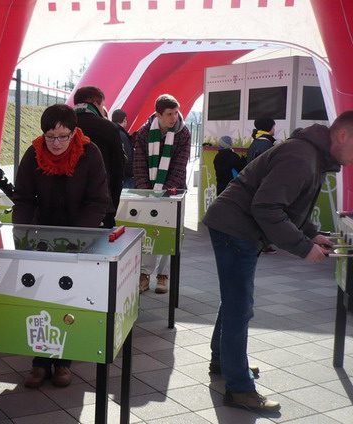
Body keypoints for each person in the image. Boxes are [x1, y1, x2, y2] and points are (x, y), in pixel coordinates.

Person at [203, 111, 353, 411]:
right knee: (239, 307)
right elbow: (267, 207)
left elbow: (291, 205)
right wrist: (303, 247)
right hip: (235, 228)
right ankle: (239, 388)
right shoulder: (302, 156)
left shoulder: (311, 155)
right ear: (342, 135)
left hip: (236, 226)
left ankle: (226, 361)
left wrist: (311, 233)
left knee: (234, 302)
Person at [13, 104, 109, 388]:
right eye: (50, 137)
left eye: (63, 136)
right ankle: (40, 361)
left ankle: (64, 362)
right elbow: (23, 198)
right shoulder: (33, 153)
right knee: (41, 297)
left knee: (69, 298)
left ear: (73, 132)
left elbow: (98, 201)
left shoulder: (90, 153)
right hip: (42, 236)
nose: (56, 143)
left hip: (78, 238)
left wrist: (76, 238)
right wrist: (22, 235)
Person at [133, 94, 191, 294]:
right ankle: (144, 274)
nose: (174, 117)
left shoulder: (183, 133)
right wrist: (147, 191)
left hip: (174, 191)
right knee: (148, 232)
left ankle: (163, 275)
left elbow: (180, 166)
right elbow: (139, 165)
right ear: (158, 114)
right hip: (148, 191)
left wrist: (164, 191)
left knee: (170, 232)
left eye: (176, 113)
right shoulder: (144, 132)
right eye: (169, 114)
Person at [73, 86, 125, 228]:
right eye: (102, 105)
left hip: (67, 206)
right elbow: (118, 170)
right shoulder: (109, 128)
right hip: (101, 203)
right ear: (96, 104)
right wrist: (112, 204)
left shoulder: (62, 127)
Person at [247, 118, 278, 253]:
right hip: (264, 186)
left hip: (252, 185)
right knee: (264, 216)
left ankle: (256, 242)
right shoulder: (268, 145)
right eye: (274, 127)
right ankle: (263, 244)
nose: (275, 129)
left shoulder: (255, 142)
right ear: (270, 128)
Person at [112, 109, 135, 188]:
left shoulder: (110, 133)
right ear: (124, 119)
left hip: (115, 176)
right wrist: (132, 172)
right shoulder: (122, 135)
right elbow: (127, 158)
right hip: (126, 178)